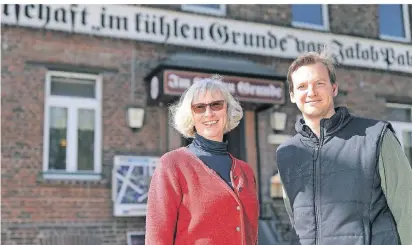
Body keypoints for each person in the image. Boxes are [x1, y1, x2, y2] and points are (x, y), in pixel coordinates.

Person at [276, 51, 412, 245]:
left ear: (334, 88)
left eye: (319, 83)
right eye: (302, 86)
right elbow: (295, 219)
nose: (311, 92)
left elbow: (407, 208)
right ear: (292, 95)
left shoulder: (376, 136)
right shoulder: (287, 153)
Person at [145, 75, 259, 245]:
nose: (209, 113)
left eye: (216, 104)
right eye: (199, 107)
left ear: (227, 110)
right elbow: (157, 238)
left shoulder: (245, 171)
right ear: (191, 115)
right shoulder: (173, 164)